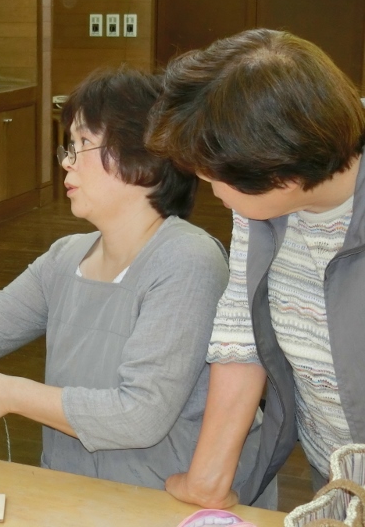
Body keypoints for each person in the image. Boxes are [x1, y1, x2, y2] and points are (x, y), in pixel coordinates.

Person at [0, 67, 260, 492]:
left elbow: (140, 415)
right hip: (74, 493)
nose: (67, 163)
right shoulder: (67, 257)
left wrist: (13, 394)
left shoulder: (187, 259)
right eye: (67, 147)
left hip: (158, 502)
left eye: (83, 145)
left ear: (144, 155)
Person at [146, 28, 365, 508]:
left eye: (214, 175)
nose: (207, 185)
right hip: (336, 472)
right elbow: (242, 323)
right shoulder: (260, 204)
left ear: (282, 174)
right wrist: (207, 478)